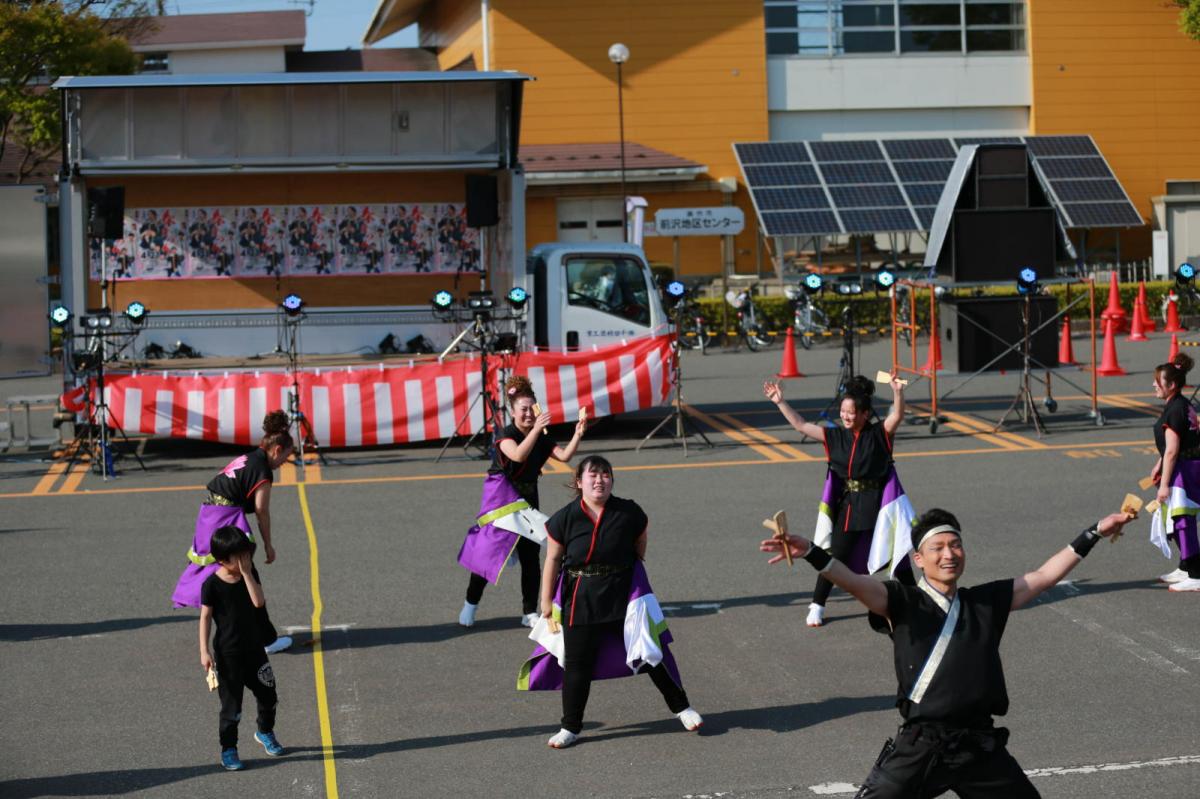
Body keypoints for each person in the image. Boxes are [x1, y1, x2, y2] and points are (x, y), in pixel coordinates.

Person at [760, 506, 1133, 798]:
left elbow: (1043, 577)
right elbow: (856, 583)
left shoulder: (984, 602)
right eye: (937, 548)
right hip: (921, 745)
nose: (949, 554)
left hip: (978, 744)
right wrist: (811, 551)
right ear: (919, 559)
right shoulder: (901, 600)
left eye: (955, 545)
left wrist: (1094, 532)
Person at [519, 455, 703, 749]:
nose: (599, 479)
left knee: (650, 653)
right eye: (592, 475)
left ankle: (682, 708)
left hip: (623, 596)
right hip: (579, 597)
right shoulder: (565, 517)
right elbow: (553, 559)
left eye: (605, 474)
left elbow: (640, 545)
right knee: (577, 665)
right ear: (579, 482)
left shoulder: (629, 512)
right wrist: (544, 603)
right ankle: (571, 727)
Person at [764, 374, 915, 628]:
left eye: (851, 412)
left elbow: (897, 416)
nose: (845, 416)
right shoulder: (835, 437)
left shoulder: (880, 434)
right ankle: (817, 604)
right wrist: (780, 402)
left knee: (897, 558)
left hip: (880, 505)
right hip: (849, 507)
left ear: (865, 414)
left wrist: (898, 393)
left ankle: (920, 600)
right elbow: (801, 425)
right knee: (836, 556)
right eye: (843, 411)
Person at [458, 375, 586, 628]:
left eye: (532, 408)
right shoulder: (507, 434)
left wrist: (577, 434)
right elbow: (517, 455)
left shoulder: (543, 436)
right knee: (487, 554)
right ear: (513, 411)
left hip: (527, 499)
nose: (528, 414)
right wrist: (537, 429)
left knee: (531, 557)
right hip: (502, 499)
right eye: (523, 409)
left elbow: (565, 456)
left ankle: (529, 611)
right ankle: (469, 605)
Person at [173, 410, 295, 655]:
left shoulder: (249, 457)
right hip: (224, 519)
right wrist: (269, 544)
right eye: (286, 456)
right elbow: (261, 510)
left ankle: (247, 632)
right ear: (276, 450)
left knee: (229, 572)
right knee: (244, 572)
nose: (285, 462)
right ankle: (265, 639)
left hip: (210, 514)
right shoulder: (263, 471)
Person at [199, 525, 285, 771]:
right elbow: (205, 618)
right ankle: (229, 749)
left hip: (255, 651)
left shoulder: (250, 574)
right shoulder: (212, 585)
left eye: (247, 554)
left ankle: (265, 732)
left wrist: (247, 574)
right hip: (229, 656)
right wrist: (204, 651)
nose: (246, 559)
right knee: (231, 707)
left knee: (269, 695)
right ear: (223, 560)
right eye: (240, 557)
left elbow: (258, 602)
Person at [1148, 352, 1200, 591]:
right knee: (1177, 518)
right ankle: (1185, 566)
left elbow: (1172, 450)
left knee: (1182, 520)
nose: (1154, 385)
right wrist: (1160, 464)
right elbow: (1171, 449)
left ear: (1171, 385)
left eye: (1158, 382)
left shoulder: (1175, 409)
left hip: (1184, 470)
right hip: (1185, 466)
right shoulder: (1180, 404)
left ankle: (1196, 573)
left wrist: (1165, 485)